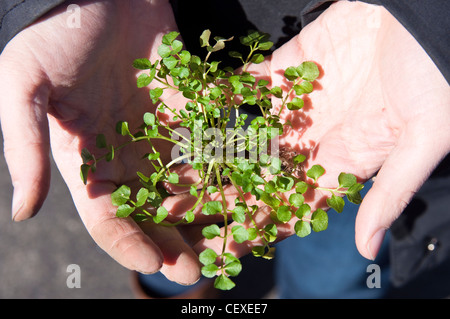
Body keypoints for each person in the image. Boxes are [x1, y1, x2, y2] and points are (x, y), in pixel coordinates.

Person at [0, 0, 449, 298]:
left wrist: (428, 26)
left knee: (328, 269)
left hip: (345, 100)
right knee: (168, 240)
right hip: (166, 93)